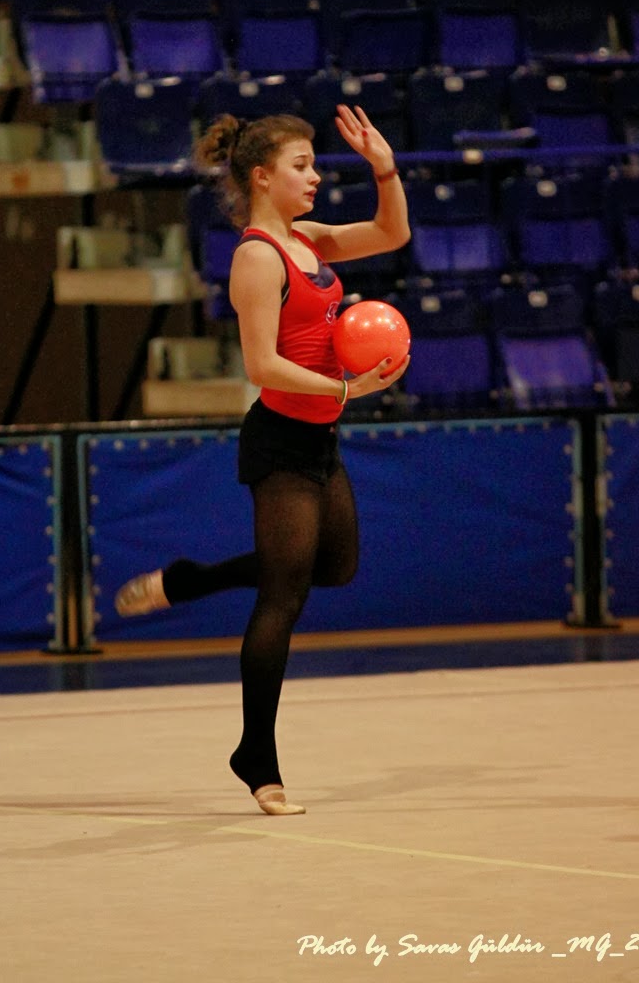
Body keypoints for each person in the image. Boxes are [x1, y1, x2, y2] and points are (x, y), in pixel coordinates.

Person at [114, 104, 410, 816]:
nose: (315, 176)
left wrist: (385, 168)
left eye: (314, 164)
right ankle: (258, 758)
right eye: (301, 165)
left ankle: (190, 580)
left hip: (319, 439)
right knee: (284, 597)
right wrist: (348, 388)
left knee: (335, 566)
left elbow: (391, 233)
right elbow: (263, 365)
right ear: (261, 177)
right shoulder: (258, 257)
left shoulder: (308, 240)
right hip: (280, 442)